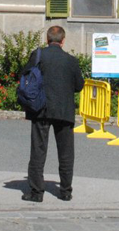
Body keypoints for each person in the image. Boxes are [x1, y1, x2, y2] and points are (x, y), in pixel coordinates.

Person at [22, 25, 84, 203]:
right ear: (63, 41)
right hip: (64, 110)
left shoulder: (38, 55)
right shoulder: (71, 60)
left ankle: (36, 192)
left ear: (47, 39)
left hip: (41, 108)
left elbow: (25, 74)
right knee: (65, 152)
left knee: (38, 150)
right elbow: (79, 85)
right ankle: (65, 191)